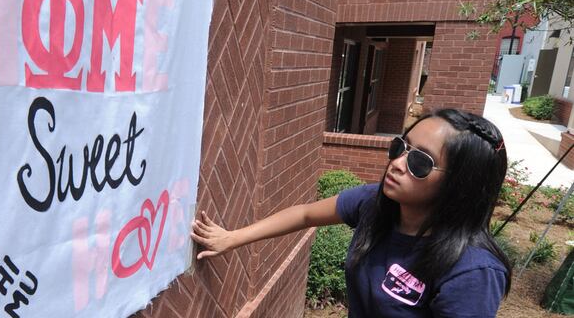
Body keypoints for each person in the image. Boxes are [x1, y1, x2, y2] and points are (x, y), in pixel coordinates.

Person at [191, 108, 512, 317]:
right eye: (401, 146)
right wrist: (231, 238)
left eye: (420, 162)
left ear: (460, 185)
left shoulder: (473, 273)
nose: (398, 163)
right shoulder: (374, 204)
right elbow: (304, 215)